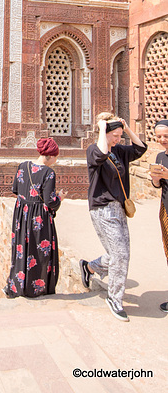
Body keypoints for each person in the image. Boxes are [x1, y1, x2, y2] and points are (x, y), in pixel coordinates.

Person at [80, 113, 147, 322]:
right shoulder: (94, 150)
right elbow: (100, 154)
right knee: (120, 255)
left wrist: (126, 129)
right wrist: (102, 128)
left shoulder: (119, 151)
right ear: (105, 133)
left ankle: (89, 267)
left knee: (120, 253)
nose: (117, 139)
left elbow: (140, 148)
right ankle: (114, 298)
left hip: (119, 208)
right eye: (114, 135)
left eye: (119, 136)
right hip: (102, 208)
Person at [3, 137, 66, 299]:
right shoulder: (49, 173)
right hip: (39, 219)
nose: (56, 160)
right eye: (55, 157)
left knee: (21, 250)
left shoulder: (23, 166)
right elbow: (50, 201)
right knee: (39, 254)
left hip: (21, 217)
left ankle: (17, 286)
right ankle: (36, 289)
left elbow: (15, 189)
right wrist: (60, 198)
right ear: (49, 156)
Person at [149, 119, 168, 313]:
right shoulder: (160, 157)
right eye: (159, 136)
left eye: (166, 136)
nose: (163, 140)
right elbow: (158, 186)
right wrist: (156, 180)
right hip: (165, 209)